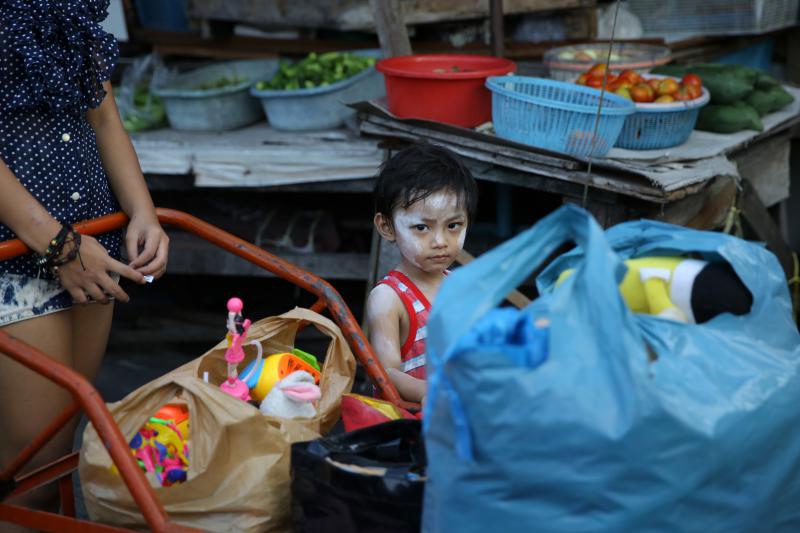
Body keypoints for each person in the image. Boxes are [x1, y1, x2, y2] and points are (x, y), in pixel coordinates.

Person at [0, 0, 169, 524]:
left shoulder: (69, 8)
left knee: (58, 451)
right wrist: (58, 247)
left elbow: (102, 114)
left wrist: (143, 211)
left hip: (93, 242)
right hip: (19, 256)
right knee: (31, 471)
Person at [366, 144, 477, 404]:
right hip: (411, 422)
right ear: (387, 227)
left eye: (453, 225)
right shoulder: (388, 299)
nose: (440, 241)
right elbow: (385, 373)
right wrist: (429, 392)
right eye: (421, 227)